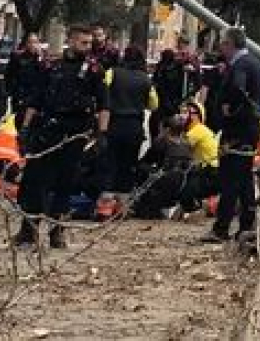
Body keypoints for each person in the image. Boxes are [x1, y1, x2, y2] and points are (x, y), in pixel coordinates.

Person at [16, 25, 110, 248]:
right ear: (71, 40)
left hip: (75, 132)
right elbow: (36, 100)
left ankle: (57, 232)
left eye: (90, 43)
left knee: (65, 183)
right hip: (48, 129)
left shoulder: (94, 70)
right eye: (83, 42)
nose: (88, 47)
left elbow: (104, 106)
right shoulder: (51, 66)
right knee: (34, 180)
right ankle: (28, 231)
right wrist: (26, 128)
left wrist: (101, 133)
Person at [204, 27, 260, 243]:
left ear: (230, 44)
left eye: (222, 43)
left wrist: (229, 109)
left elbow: (239, 90)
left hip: (237, 131)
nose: (220, 47)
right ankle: (247, 225)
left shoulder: (241, 65)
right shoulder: (255, 63)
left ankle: (221, 228)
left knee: (230, 179)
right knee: (244, 179)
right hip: (248, 129)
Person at [100, 46, 158, 213]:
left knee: (110, 163)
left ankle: (105, 207)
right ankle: (122, 205)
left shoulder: (112, 73)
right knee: (128, 165)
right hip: (134, 127)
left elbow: (103, 92)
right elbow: (154, 104)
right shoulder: (146, 80)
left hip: (114, 124)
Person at [6, 33, 43, 124]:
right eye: (30, 42)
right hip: (20, 97)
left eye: (35, 42)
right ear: (26, 43)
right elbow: (9, 75)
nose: (33, 45)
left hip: (35, 99)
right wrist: (12, 92)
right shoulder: (17, 56)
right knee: (19, 122)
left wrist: (40, 58)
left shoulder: (40, 58)